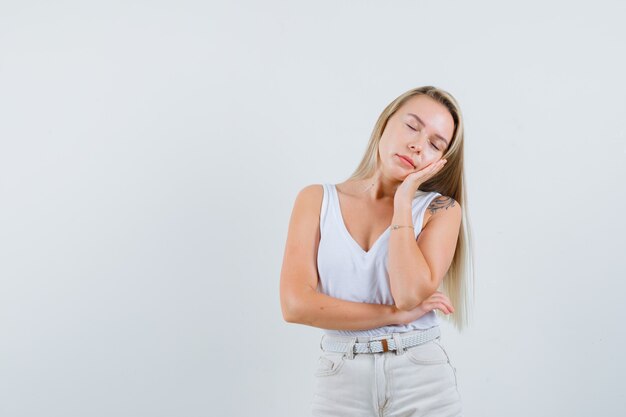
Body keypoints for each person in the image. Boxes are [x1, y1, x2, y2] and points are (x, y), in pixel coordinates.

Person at [279, 85, 474, 417]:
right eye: (412, 126)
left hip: (421, 377)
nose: (417, 144)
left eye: (434, 144)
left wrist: (403, 201)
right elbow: (295, 305)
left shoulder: (440, 209)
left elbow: (409, 293)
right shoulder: (316, 200)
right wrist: (395, 317)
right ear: (386, 122)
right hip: (341, 376)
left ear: (440, 163)